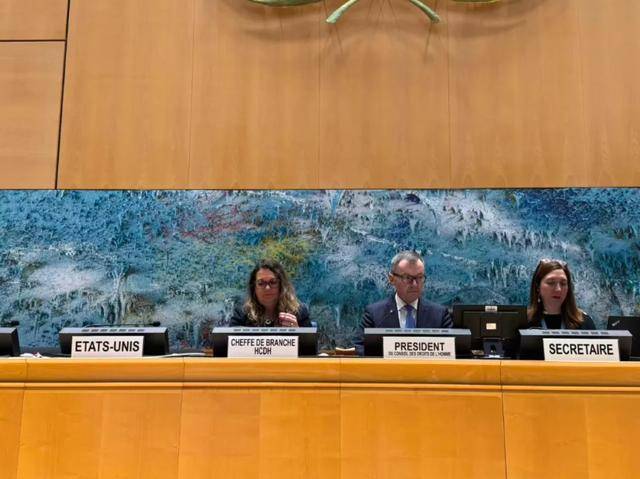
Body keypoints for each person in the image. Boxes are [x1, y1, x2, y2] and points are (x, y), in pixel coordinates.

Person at [354, 251, 452, 355]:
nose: (414, 284)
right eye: (407, 278)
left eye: (419, 277)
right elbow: (360, 347)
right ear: (391, 279)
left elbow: (453, 349)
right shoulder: (374, 314)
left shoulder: (439, 314)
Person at [230, 259, 311, 327]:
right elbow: (229, 340)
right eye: (261, 283)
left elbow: (309, 342)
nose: (267, 288)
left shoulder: (299, 312)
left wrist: (298, 333)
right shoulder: (241, 312)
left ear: (282, 285)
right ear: (254, 287)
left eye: (273, 282)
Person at [527, 258, 596, 329]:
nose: (558, 289)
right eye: (551, 283)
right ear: (538, 286)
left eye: (563, 283)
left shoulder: (584, 322)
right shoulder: (524, 321)